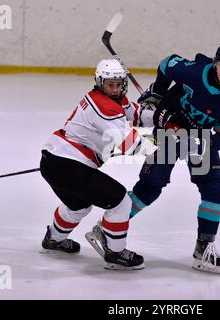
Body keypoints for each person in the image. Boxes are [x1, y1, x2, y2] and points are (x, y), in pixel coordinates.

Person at [128, 40, 220, 274]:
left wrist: (201, 141)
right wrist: (157, 93)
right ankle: (108, 228)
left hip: (200, 138)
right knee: (150, 186)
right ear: (215, 63)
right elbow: (167, 64)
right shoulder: (194, 71)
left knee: (214, 189)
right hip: (168, 127)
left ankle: (203, 249)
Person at [39, 59, 156, 270]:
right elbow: (129, 143)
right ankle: (115, 251)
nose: (115, 88)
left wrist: (160, 115)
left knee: (78, 205)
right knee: (120, 201)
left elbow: (135, 113)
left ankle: (53, 239)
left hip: (52, 161)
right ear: (100, 82)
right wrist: (163, 146)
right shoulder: (104, 106)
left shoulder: (108, 98)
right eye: (110, 84)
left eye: (118, 84)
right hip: (69, 166)